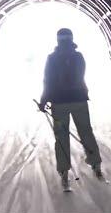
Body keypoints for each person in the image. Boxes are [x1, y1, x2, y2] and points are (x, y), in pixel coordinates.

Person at [38, 28, 103, 190]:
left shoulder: (52, 59)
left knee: (61, 135)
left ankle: (64, 171)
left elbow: (47, 81)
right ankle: (96, 164)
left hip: (59, 104)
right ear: (72, 39)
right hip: (79, 101)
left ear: (58, 40)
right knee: (86, 131)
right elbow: (81, 76)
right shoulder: (79, 57)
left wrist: (43, 100)